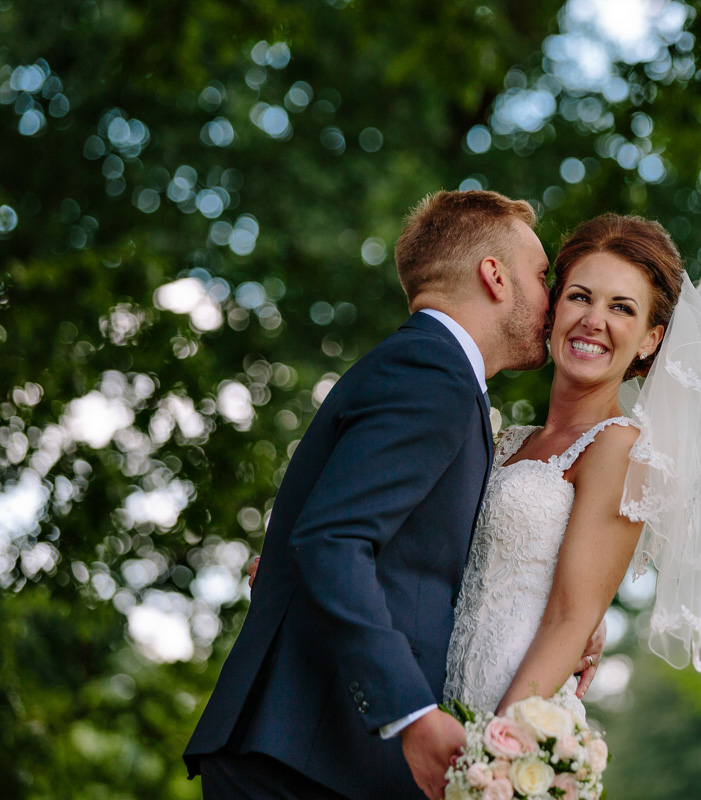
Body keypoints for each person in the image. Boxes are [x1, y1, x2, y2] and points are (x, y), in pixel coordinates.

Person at [183, 190, 604, 800]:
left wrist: (564, 608)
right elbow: (331, 539)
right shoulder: (433, 372)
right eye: (543, 277)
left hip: (322, 757)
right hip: (305, 758)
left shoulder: (427, 370)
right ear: (494, 276)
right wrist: (409, 712)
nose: (554, 300)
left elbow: (374, 538)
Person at [441, 213, 701, 727]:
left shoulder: (622, 448)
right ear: (554, 308)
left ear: (649, 339)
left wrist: (497, 746)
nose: (594, 319)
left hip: (513, 715)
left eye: (622, 308)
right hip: (439, 702)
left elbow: (571, 617)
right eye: (580, 296)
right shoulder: (509, 440)